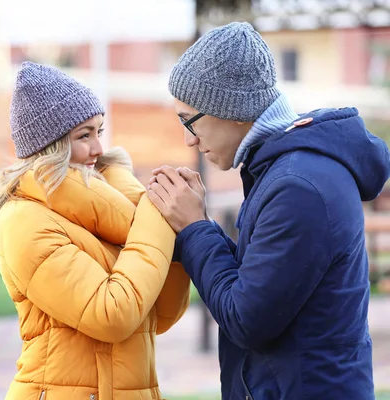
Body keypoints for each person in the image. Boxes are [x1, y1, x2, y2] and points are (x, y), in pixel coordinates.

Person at [147, 22, 390, 399]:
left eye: (189, 120)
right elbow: (257, 284)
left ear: (234, 110)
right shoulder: (285, 170)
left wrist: (196, 227)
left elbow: (246, 319)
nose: (188, 139)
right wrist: (196, 225)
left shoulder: (299, 186)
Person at [0, 61, 191, 400]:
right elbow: (113, 315)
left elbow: (160, 315)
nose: (98, 148)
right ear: (50, 146)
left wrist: (139, 198)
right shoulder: (24, 221)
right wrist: (155, 214)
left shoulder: (107, 210)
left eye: (99, 132)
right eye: (84, 135)